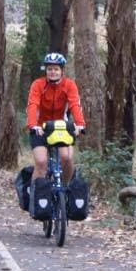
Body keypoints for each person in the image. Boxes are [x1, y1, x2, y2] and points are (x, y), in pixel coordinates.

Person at [25, 52, 86, 183]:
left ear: (62, 71)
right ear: (46, 70)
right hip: (40, 127)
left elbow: (75, 104)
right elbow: (32, 105)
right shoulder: (38, 84)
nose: (53, 72)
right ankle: (36, 198)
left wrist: (80, 124)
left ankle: (66, 188)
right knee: (41, 163)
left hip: (61, 126)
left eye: (56, 69)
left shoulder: (69, 85)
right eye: (50, 69)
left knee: (67, 158)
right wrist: (32, 125)